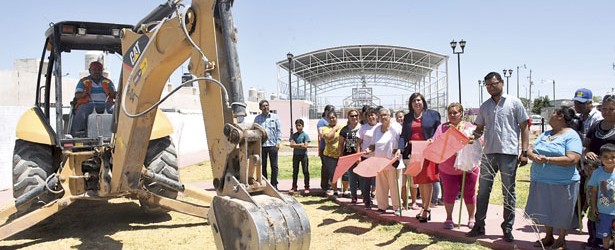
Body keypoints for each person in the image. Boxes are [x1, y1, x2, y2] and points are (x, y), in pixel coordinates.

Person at [466, 72, 529, 242]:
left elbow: (524, 127)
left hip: (508, 154)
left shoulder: (514, 102)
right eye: (488, 85)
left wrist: (524, 152)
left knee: (508, 192)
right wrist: (472, 136)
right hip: (489, 154)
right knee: (483, 191)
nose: (491, 87)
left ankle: (507, 228)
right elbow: (479, 128)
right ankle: (479, 225)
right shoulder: (485, 106)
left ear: (501, 82)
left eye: (494, 84)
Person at [524, 106, 582, 249]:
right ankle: (548, 236)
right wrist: (533, 155)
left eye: (553, 113)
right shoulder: (546, 133)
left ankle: (561, 239)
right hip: (541, 179)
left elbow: (573, 158)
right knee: (544, 209)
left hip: (563, 182)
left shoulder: (571, 135)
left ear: (561, 116)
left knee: (562, 210)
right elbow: (531, 148)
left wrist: (548, 160)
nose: (550, 115)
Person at [434, 102, 479, 229]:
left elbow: (479, 140)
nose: (452, 115)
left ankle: (471, 217)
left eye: (455, 112)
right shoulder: (442, 128)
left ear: (461, 114)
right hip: (448, 167)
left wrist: (470, 140)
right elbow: (437, 142)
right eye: (450, 113)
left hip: (468, 166)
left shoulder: (469, 127)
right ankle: (449, 218)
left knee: (469, 192)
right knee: (449, 193)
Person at [399, 92, 441, 223]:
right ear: (411, 104)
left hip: (429, 150)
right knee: (420, 181)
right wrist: (399, 149)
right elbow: (403, 135)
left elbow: (439, 131)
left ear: (423, 101)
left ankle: (427, 209)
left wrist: (433, 139)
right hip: (415, 152)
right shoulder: (408, 117)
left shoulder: (433, 114)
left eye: (419, 100)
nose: (417, 103)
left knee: (427, 180)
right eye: (414, 101)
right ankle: (424, 207)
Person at [572, 88, 603, 248]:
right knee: (583, 196)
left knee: (596, 203)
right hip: (583, 165)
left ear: (590, 103)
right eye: (576, 102)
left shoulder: (598, 118)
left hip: (597, 168)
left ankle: (599, 237)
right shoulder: (578, 118)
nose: (578, 105)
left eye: (581, 103)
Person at [370, 107, 403, 215]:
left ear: (390, 116)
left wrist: (399, 149)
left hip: (393, 162)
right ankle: (382, 206)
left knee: (395, 185)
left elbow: (402, 141)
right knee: (380, 186)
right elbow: (373, 145)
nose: (383, 117)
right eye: (381, 115)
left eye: (385, 115)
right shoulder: (376, 129)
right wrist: (367, 150)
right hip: (379, 163)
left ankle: (397, 207)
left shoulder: (396, 127)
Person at [71, 61, 116, 136]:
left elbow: (115, 96)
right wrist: (83, 94)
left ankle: (116, 132)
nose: (97, 72)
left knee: (116, 110)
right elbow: (77, 95)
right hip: (89, 104)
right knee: (82, 109)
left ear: (102, 71)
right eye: (94, 70)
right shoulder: (83, 81)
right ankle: (78, 133)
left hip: (106, 104)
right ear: (89, 71)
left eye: (99, 70)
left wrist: (113, 93)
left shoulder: (108, 82)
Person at [588, 143, 615, 250]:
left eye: (613, 157)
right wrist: (594, 206)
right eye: (606, 157)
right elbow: (594, 191)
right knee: (604, 233)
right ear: (600, 158)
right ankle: (605, 247)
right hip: (604, 211)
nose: (609, 160)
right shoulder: (597, 173)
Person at [254, 100, 282, 189]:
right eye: (263, 106)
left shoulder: (275, 117)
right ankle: (265, 184)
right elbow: (255, 131)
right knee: (263, 166)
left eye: (267, 105)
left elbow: (279, 130)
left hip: (273, 145)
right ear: (260, 108)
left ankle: (274, 184)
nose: (265, 107)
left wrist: (278, 142)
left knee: (274, 166)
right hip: (262, 146)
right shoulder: (257, 119)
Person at [397, 110, 419, 210]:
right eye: (398, 117)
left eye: (402, 117)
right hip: (402, 157)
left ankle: (413, 202)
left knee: (413, 181)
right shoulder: (395, 129)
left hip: (413, 156)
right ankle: (404, 202)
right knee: (403, 182)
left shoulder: (411, 128)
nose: (401, 119)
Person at [339, 109, 361, 203]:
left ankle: (366, 196)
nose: (354, 117)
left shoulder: (362, 128)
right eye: (352, 116)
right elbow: (340, 144)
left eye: (356, 115)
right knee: (352, 177)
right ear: (348, 117)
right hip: (349, 156)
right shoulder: (344, 130)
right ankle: (354, 196)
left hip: (361, 156)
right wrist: (340, 156)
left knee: (363, 178)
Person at [359, 107, 379, 209]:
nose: (371, 117)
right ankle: (367, 201)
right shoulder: (363, 128)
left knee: (378, 181)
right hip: (366, 157)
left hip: (378, 158)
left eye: (373, 115)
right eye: (369, 115)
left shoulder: (380, 127)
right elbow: (358, 143)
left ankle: (380, 202)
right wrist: (358, 156)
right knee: (367, 180)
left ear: (376, 116)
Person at [321, 111, 342, 197]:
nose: (332, 119)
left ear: (337, 118)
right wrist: (334, 129)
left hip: (341, 154)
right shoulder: (325, 128)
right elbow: (328, 137)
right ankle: (335, 191)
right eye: (330, 118)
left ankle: (345, 191)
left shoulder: (342, 127)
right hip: (329, 155)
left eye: (333, 117)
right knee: (333, 174)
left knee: (343, 174)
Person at [290, 119, 311, 195]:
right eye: (296, 125)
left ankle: (307, 186)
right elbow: (291, 145)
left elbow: (305, 146)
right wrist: (299, 145)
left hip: (303, 155)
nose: (298, 127)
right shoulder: (294, 135)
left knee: (305, 171)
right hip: (296, 155)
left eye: (299, 125)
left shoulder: (305, 135)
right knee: (295, 171)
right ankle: (294, 186)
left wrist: (298, 145)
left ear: (303, 126)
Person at [318, 105, 335, 194]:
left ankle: (331, 184)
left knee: (332, 168)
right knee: (325, 167)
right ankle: (325, 186)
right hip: (324, 147)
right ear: (326, 111)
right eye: (330, 111)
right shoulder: (322, 122)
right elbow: (321, 135)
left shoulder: (333, 122)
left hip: (333, 149)